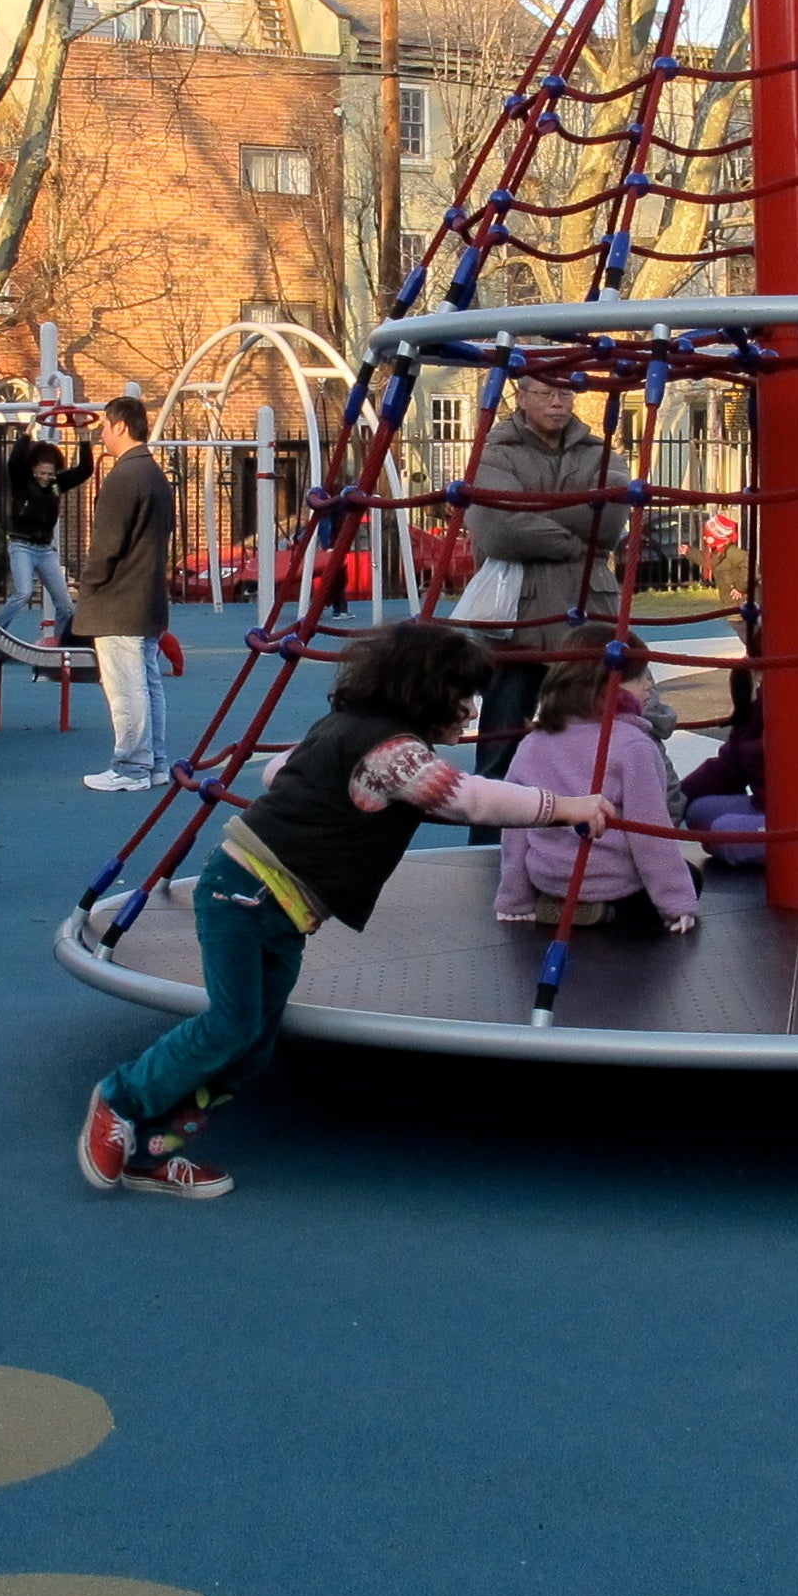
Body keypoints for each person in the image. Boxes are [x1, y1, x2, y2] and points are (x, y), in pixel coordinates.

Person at [78, 621, 615, 1200]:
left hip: (276, 909)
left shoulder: (348, 729)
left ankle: (151, 1147)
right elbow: (471, 799)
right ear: (425, 693)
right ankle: (120, 1100)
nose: (469, 710)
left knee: (254, 1043)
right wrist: (566, 807)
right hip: (246, 894)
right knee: (230, 1025)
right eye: (462, 697)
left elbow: (276, 770)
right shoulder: (394, 753)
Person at [463, 374, 628, 835]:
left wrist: (533, 511)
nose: (558, 402)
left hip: (586, 613)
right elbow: (498, 529)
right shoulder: (493, 452)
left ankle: (591, 836)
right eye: (546, 393)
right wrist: (574, 534)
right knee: (500, 745)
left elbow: (608, 521)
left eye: (566, 393)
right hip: (520, 620)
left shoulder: (600, 452)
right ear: (522, 396)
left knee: (594, 740)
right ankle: (488, 845)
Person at [494, 625, 702, 932]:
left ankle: (559, 902)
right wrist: (677, 903)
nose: (648, 686)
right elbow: (650, 833)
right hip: (612, 883)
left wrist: (514, 899)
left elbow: (517, 824)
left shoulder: (534, 741)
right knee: (691, 877)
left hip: (548, 878)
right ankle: (609, 913)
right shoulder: (632, 744)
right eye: (640, 677)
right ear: (610, 687)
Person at [70, 395, 174, 793]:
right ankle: (154, 762)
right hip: (146, 595)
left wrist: (88, 580)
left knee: (125, 686)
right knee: (147, 682)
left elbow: (107, 544)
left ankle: (131, 766)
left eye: (105, 427)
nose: (102, 434)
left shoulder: (125, 476)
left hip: (119, 600)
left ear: (120, 426)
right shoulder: (153, 474)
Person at [676, 671, 798, 871]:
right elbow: (726, 768)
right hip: (768, 806)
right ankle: (757, 841)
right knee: (698, 809)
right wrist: (673, 799)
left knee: (723, 831)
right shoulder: (755, 698)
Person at [1, 427, 93, 641]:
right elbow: (14, 462)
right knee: (23, 593)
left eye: (50, 474)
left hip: (45, 550)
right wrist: (25, 436)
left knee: (65, 605)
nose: (45, 478)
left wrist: (84, 437)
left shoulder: (56, 486)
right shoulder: (21, 483)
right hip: (21, 544)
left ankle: (62, 644)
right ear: (33, 470)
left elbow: (85, 470)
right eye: (41, 473)